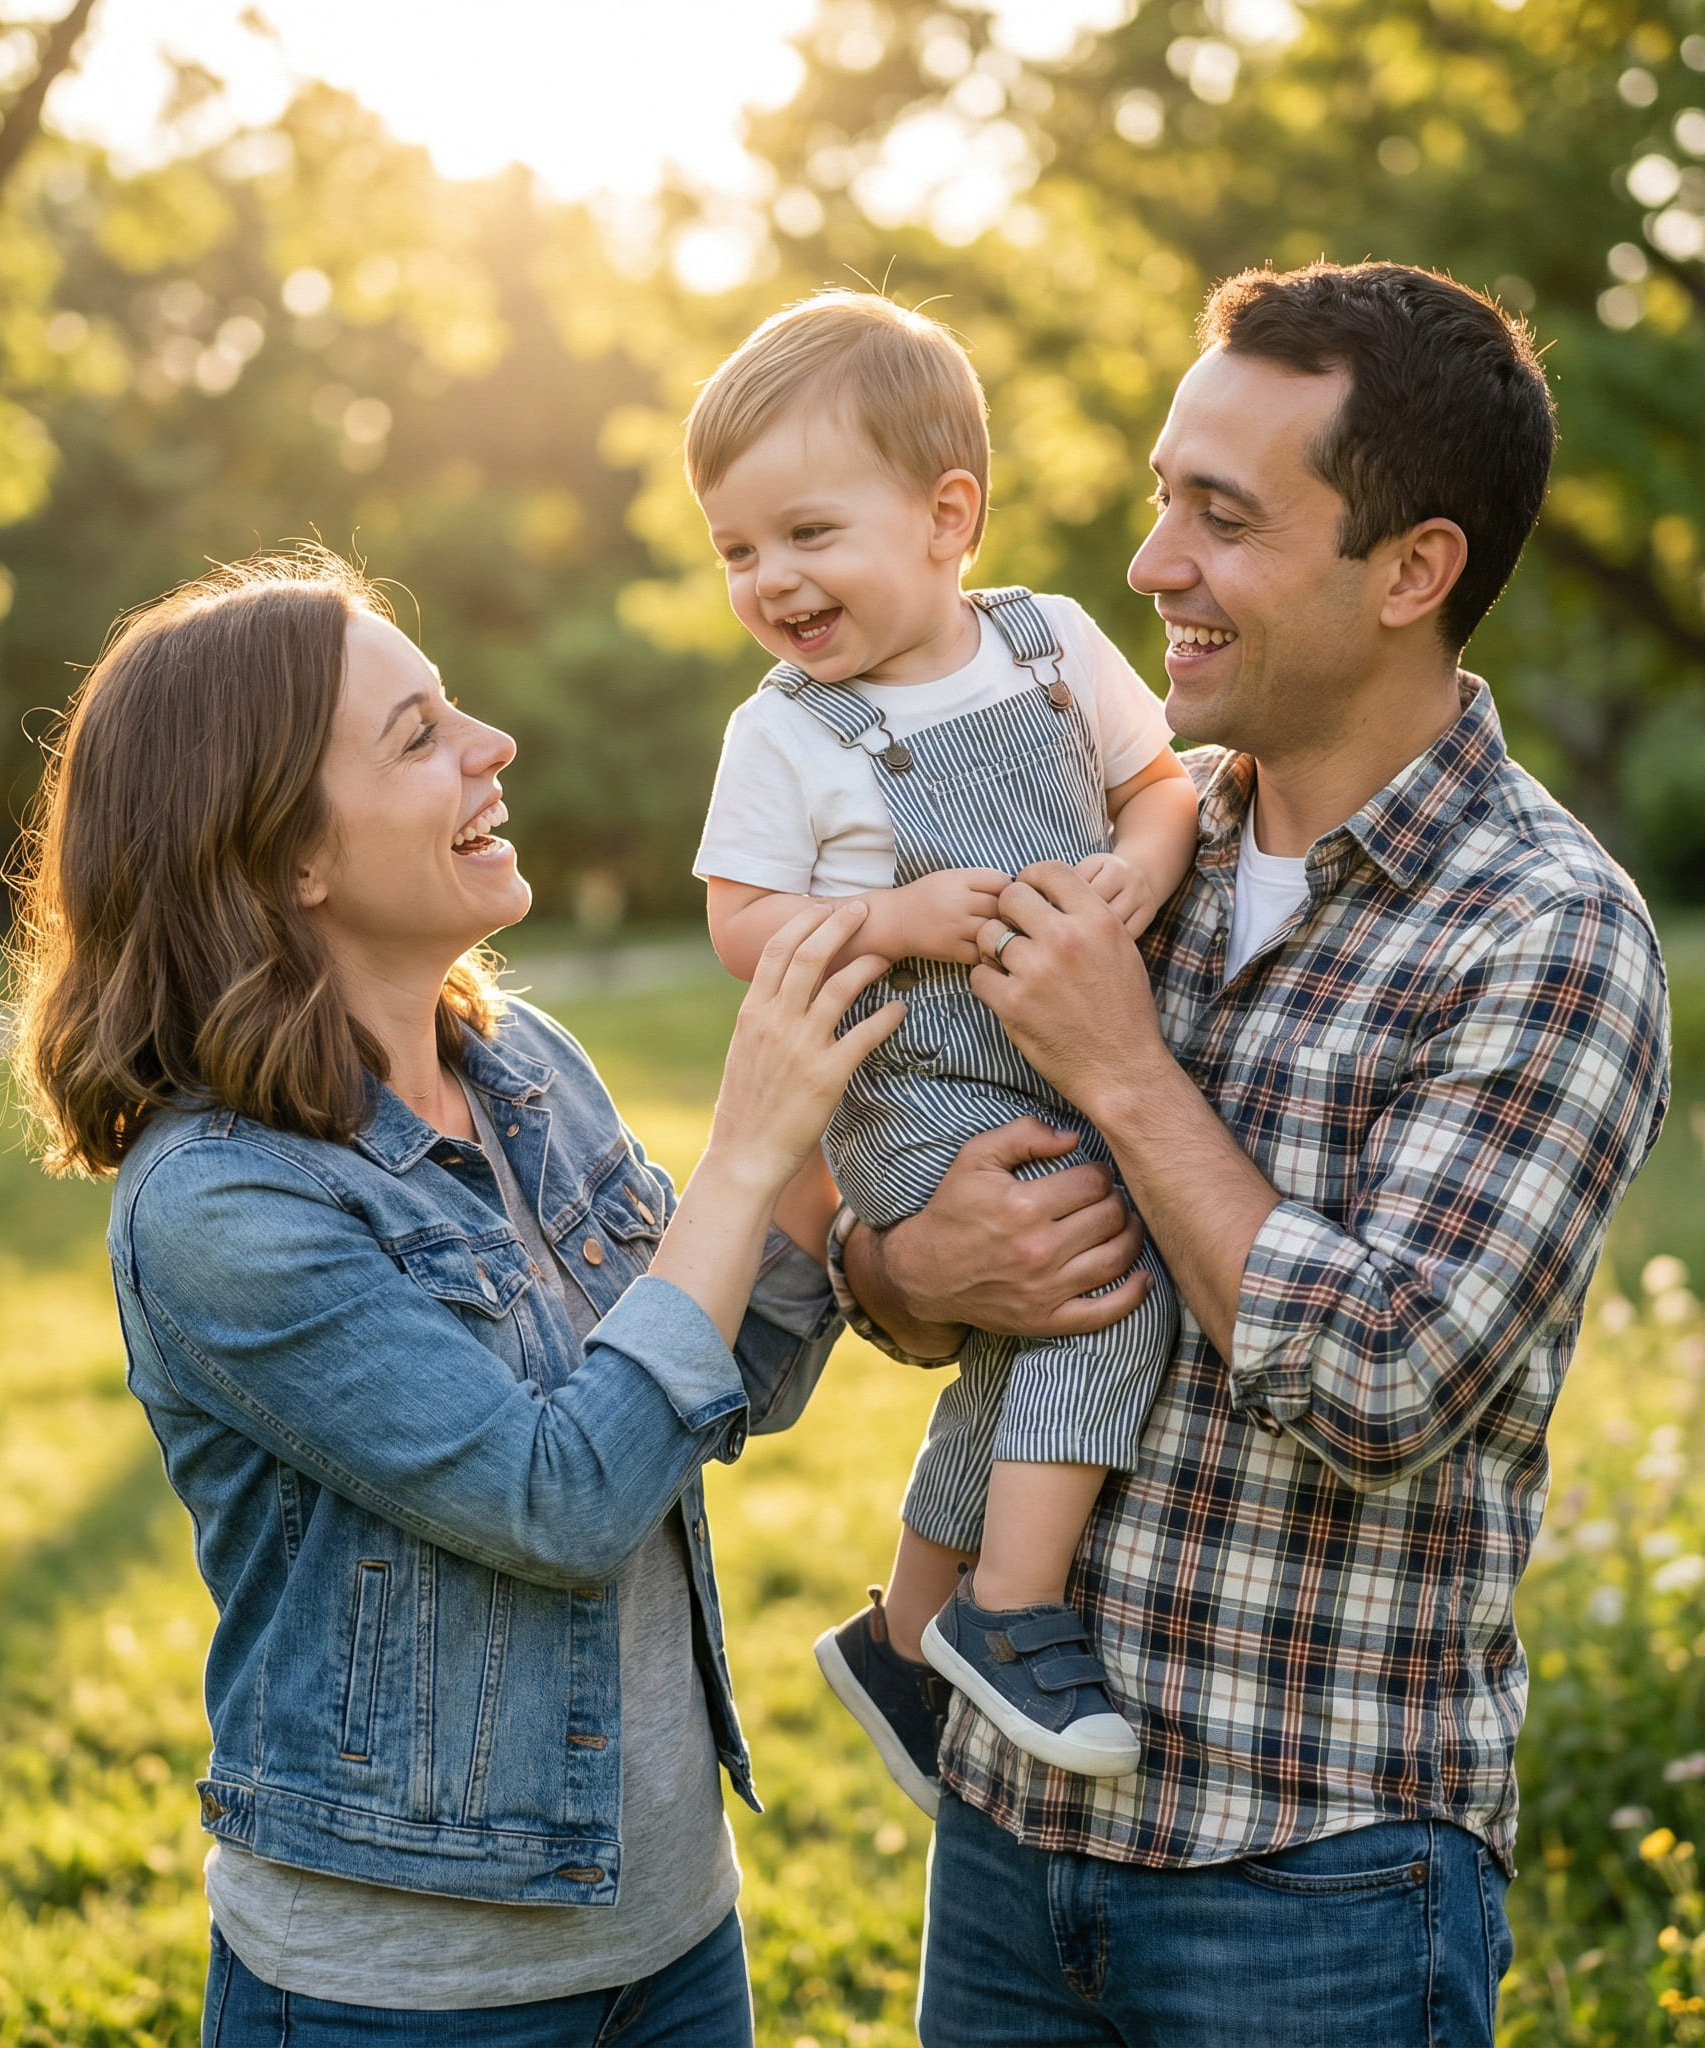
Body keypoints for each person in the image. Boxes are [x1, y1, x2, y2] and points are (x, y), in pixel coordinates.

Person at [839, 263, 1673, 2045]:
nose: (1151, 563)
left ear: (1410, 572)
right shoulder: (1114, 842)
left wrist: (1125, 1073)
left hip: (1314, 1879)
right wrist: (901, 1268)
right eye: (1161, 497)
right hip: (1008, 1839)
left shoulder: (1545, 933)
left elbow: (1382, 1379)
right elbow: (920, 1262)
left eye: (1221, 517)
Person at [5, 551, 902, 2043]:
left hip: (679, 1932)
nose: (492, 745)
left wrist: (830, 1172)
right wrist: (746, 1147)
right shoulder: (225, 1204)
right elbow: (563, 1500)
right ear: (287, 854)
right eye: (418, 735)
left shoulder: (524, 1064)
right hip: (412, 1999)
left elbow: (718, 1370)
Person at [688, 292, 1199, 1804]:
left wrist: (1143, 868)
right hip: (913, 1079)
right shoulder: (787, 732)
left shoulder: (1052, 646)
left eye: (807, 533)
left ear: (945, 515)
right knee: (1103, 1290)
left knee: (1021, 1337)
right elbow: (736, 924)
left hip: (1057, 1050)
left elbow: (1158, 782)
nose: (770, 579)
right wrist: (893, 919)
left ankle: (906, 1633)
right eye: (736, 550)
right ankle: (1012, 1612)